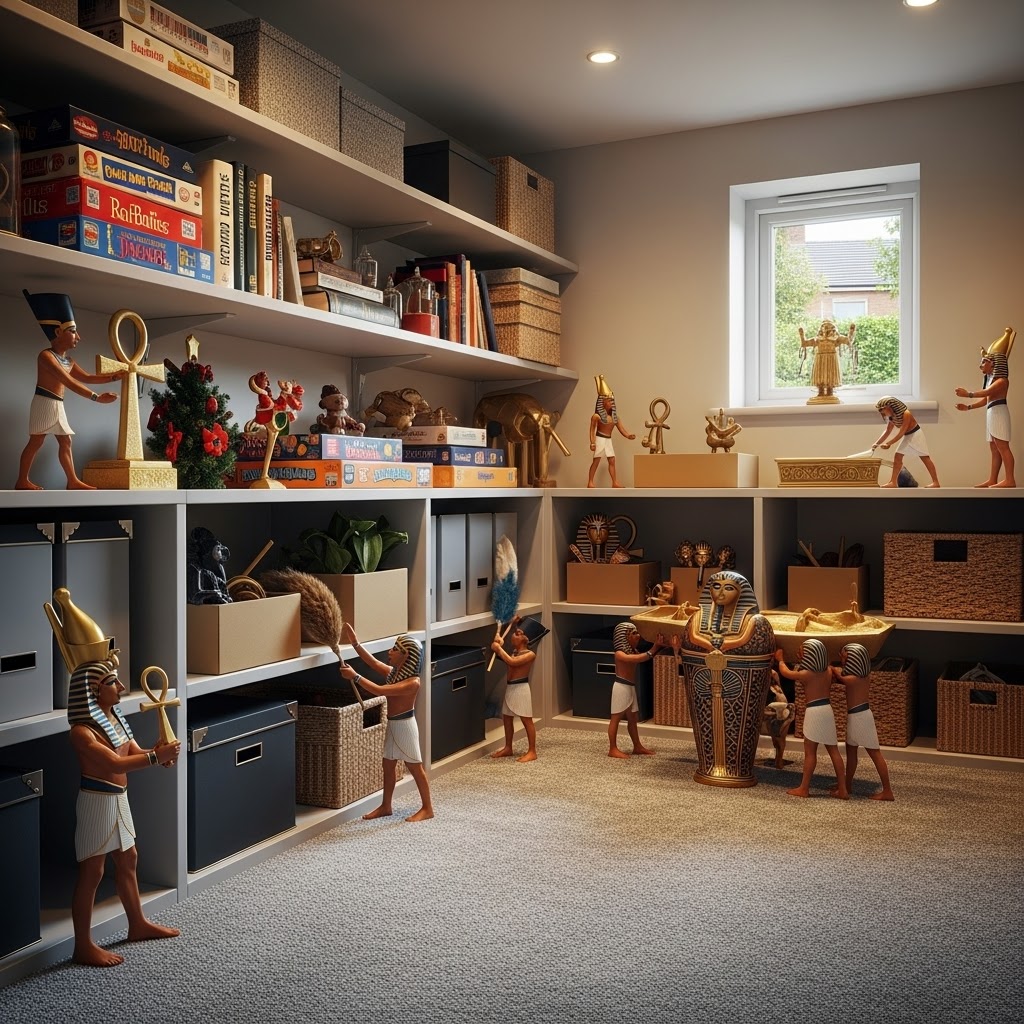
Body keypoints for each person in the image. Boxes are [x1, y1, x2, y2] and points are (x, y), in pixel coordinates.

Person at [67, 656, 181, 967]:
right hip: (97, 801)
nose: (120, 686)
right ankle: (82, 945)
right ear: (93, 691)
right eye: (112, 682)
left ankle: (137, 923)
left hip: (120, 798)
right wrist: (156, 758)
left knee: (129, 859)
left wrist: (156, 752)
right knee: (93, 872)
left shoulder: (114, 719)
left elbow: (134, 752)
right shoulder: (82, 732)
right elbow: (115, 764)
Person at [16, 290, 121, 490]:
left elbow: (87, 377)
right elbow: (68, 381)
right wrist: (97, 398)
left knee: (65, 442)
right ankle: (22, 480)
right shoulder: (46, 356)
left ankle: (72, 481)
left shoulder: (67, 360)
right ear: (58, 332)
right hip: (45, 402)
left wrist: (114, 377)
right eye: (72, 331)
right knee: (37, 441)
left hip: (57, 404)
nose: (78, 337)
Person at [340, 626, 434, 822]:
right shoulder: (395, 674)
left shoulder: (412, 683)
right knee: (388, 766)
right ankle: (386, 805)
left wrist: (355, 677)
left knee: (415, 767)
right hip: (393, 725)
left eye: (395, 649)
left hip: (405, 727)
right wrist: (356, 644)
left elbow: (379, 690)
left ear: (406, 655)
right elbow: (373, 662)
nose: (390, 652)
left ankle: (427, 808)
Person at [776, 638, 849, 799]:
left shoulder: (806, 674)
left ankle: (804, 788)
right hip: (827, 710)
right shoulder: (828, 671)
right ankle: (843, 789)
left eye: (802, 652)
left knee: (810, 752)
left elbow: (786, 673)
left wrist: (780, 659)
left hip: (814, 712)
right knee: (834, 750)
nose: (799, 654)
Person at [831, 643, 895, 800]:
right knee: (851, 753)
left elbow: (841, 678)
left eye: (845, 658)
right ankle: (847, 784)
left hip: (861, 717)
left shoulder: (855, 678)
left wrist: (831, 668)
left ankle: (887, 790)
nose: (843, 661)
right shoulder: (862, 676)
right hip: (855, 717)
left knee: (874, 753)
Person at [954, 327, 1015, 488]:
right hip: (992, 412)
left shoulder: (1001, 381)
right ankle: (993, 479)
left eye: (984, 362)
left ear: (994, 363)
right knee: (994, 447)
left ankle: (1010, 479)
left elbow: (987, 393)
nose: (980, 365)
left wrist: (968, 394)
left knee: (1002, 446)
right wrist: (968, 407)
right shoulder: (992, 380)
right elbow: (985, 400)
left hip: (999, 413)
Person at [608, 622, 663, 758]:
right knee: (616, 719)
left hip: (630, 687)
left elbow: (640, 656)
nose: (638, 636)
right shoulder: (620, 654)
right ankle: (612, 748)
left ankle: (637, 746)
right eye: (633, 633)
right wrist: (654, 648)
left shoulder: (633, 651)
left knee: (633, 719)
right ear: (624, 637)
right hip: (621, 688)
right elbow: (639, 658)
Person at [489, 616, 538, 762]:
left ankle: (532, 751)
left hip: (521, 689)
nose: (513, 635)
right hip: (511, 688)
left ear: (525, 639)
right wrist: (499, 644)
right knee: (507, 718)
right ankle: (508, 747)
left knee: (526, 720)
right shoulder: (514, 652)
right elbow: (507, 659)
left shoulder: (530, 655)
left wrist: (499, 649)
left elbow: (512, 662)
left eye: (517, 634)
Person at [871, 396, 941, 488]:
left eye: (882, 409)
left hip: (916, 435)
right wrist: (877, 443)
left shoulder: (906, 414)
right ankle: (893, 482)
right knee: (898, 456)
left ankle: (936, 482)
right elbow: (888, 431)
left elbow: (902, 432)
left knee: (925, 458)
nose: (882, 412)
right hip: (908, 436)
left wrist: (889, 443)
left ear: (890, 407)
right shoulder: (892, 417)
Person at [588, 374, 635, 487]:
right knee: (596, 461)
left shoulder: (614, 418)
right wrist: (592, 442)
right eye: (609, 401)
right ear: (603, 402)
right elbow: (592, 431)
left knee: (612, 460)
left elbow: (622, 429)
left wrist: (628, 435)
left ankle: (614, 482)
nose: (611, 403)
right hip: (600, 438)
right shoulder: (596, 416)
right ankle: (590, 481)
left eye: (612, 401)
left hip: (608, 440)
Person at [798, 319, 855, 404]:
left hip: (831, 359)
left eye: (828, 327)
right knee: (820, 376)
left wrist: (851, 332)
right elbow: (805, 344)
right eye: (824, 327)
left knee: (831, 376)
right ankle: (820, 393)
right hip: (820, 359)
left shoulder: (836, 338)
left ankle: (830, 393)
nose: (825, 329)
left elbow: (848, 341)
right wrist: (802, 335)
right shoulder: (817, 339)